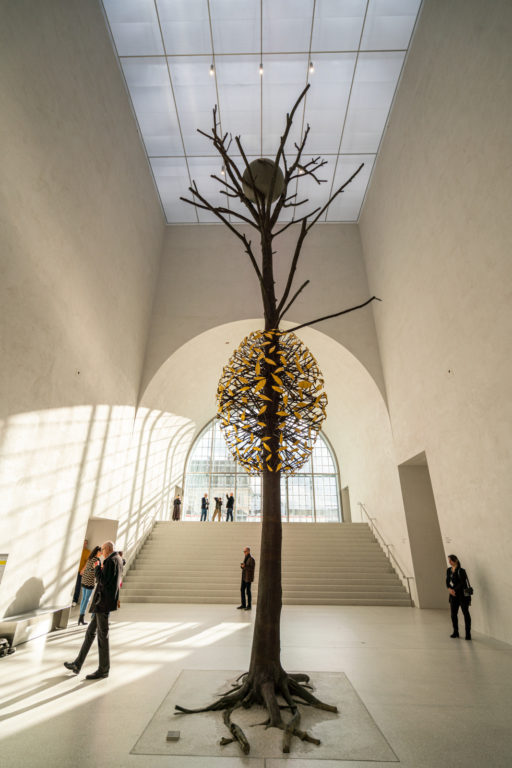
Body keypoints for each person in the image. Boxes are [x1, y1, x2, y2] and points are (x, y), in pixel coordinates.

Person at [64, 541, 123, 679]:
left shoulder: (110, 561)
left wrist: (97, 568)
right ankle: (78, 664)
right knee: (90, 633)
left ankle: (103, 669)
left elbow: (102, 581)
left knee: (103, 636)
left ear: (107, 549)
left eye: (102, 549)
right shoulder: (118, 559)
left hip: (103, 603)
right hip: (102, 603)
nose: (101, 552)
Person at [446, 554, 472, 640]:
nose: (449, 562)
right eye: (449, 560)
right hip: (453, 596)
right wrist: (449, 589)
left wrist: (454, 590)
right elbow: (447, 581)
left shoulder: (461, 571)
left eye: (451, 560)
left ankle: (468, 633)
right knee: (453, 614)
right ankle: (455, 632)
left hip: (462, 596)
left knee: (466, 614)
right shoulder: (449, 570)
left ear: (456, 560)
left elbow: (463, 583)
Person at [77, 545, 101, 625]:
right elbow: (97, 571)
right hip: (90, 580)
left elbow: (87, 568)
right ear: (97, 552)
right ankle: (81, 617)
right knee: (86, 599)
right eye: (100, 551)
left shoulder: (90, 558)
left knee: (84, 599)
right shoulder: (97, 560)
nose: (101, 553)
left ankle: (80, 617)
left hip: (84, 579)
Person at [72, 538, 90, 606]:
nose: (84, 544)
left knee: (77, 586)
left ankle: (75, 600)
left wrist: (83, 570)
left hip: (80, 572)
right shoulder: (77, 551)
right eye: (83, 542)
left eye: (85, 543)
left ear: (86, 544)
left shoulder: (87, 552)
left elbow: (87, 562)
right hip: (73, 571)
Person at [237, 547, 255, 611]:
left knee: (248, 591)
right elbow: (245, 567)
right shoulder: (246, 558)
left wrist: (244, 566)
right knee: (242, 590)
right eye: (244, 551)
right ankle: (243, 604)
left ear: (248, 551)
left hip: (248, 578)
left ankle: (249, 605)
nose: (244, 553)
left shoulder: (251, 559)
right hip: (244, 577)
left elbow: (251, 569)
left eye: (245, 551)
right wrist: (242, 567)